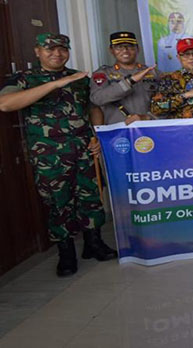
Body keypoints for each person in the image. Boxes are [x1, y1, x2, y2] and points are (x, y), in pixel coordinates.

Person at [0, 33, 116, 277]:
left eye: (62, 49)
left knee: (92, 196)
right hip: (49, 155)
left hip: (84, 149)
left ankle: (93, 244)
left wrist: (97, 135)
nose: (57, 54)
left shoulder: (79, 78)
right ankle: (66, 253)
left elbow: (93, 107)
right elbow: (6, 104)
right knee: (58, 201)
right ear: (37, 51)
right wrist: (54, 84)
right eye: (49, 49)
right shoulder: (24, 78)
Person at [90, 31, 159, 125]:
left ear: (138, 49)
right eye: (119, 47)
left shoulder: (152, 73)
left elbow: (166, 105)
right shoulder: (103, 74)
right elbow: (97, 99)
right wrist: (129, 82)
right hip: (117, 133)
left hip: (149, 129)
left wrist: (148, 117)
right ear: (111, 50)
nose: (125, 50)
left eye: (130, 46)